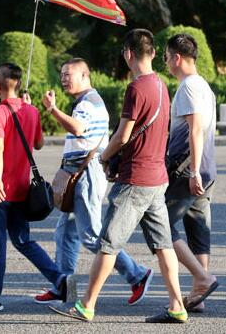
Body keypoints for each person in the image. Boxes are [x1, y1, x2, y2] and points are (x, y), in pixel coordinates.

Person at [49, 29, 187, 323]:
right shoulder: (162, 86)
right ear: (151, 52)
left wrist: (105, 156)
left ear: (128, 54)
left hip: (135, 179)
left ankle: (86, 304)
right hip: (157, 177)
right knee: (163, 246)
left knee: (107, 244)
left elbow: (123, 134)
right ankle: (177, 305)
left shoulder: (136, 88)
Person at [33, 58, 153, 306]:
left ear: (85, 76)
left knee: (89, 235)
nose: (64, 78)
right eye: (62, 73)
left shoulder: (88, 103)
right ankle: (63, 286)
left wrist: (52, 110)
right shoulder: (85, 102)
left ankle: (138, 275)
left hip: (86, 174)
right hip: (78, 173)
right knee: (65, 233)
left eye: (70, 74)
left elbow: (78, 129)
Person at [0, 63, 76, 312]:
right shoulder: (32, 111)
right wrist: (29, 109)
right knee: (23, 240)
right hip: (23, 189)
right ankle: (59, 278)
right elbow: (40, 144)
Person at [162, 33, 219, 312]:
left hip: (188, 170)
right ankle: (199, 293)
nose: (165, 63)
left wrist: (193, 171)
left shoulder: (188, 87)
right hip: (206, 168)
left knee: (162, 224)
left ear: (177, 58)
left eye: (165, 57)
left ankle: (202, 278)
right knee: (197, 228)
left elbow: (195, 129)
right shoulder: (204, 86)